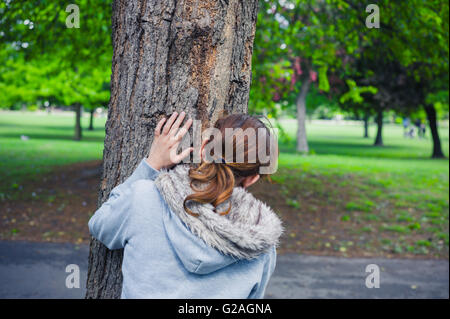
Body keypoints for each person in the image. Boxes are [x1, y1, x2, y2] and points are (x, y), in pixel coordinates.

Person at [88, 112, 283, 298]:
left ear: (204, 146)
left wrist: (151, 165)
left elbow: (100, 225)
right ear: (253, 179)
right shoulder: (261, 244)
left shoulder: (144, 197)